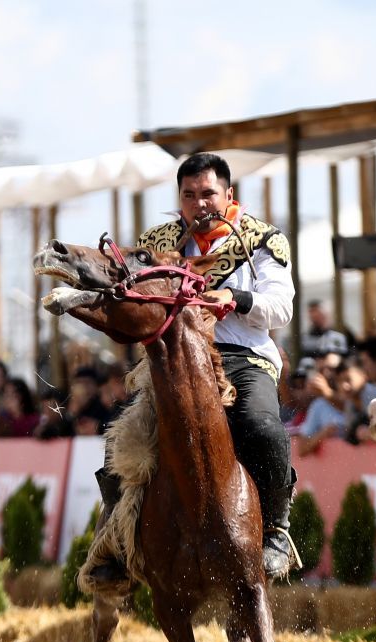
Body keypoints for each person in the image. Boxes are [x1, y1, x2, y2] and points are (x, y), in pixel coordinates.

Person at [92, 151, 299, 582]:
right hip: (175, 360)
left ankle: (277, 531)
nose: (199, 203)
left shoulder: (263, 239)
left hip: (243, 358)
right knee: (120, 442)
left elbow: (282, 308)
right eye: (189, 195)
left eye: (208, 193)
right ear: (180, 198)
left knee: (263, 428)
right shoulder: (157, 243)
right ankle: (115, 545)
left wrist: (237, 299)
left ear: (228, 194)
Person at [67, 366, 112, 437]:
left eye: (87, 383)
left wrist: (98, 427)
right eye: (79, 383)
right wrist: (71, 414)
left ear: (96, 386)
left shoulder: (104, 403)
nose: (83, 387)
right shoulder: (71, 405)